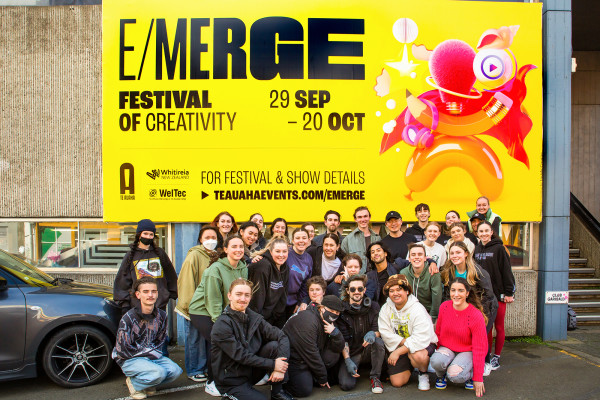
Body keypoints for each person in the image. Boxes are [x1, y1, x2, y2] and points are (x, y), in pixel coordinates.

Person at [210, 278, 294, 400]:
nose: (243, 299)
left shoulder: (253, 317)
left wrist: (280, 369)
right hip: (231, 381)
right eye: (238, 294)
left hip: (249, 373)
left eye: (247, 295)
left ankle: (277, 392)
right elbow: (241, 356)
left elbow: (281, 336)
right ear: (229, 296)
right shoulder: (222, 325)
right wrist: (273, 364)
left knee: (274, 346)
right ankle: (230, 396)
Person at [188, 235, 248, 397]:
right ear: (226, 249)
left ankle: (228, 376)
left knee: (229, 341)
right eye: (234, 246)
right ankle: (212, 382)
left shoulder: (243, 267)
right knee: (219, 342)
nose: (238, 250)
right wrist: (220, 325)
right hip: (202, 311)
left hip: (222, 310)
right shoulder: (215, 269)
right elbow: (213, 300)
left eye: (241, 246)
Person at [113, 277, 183, 399]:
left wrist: (150, 357)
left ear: (157, 294)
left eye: (153, 291)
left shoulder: (162, 316)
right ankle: (135, 383)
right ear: (138, 295)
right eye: (145, 292)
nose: (150, 295)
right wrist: (146, 359)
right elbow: (122, 349)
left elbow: (160, 341)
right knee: (159, 372)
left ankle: (149, 382)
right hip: (129, 359)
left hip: (151, 355)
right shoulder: (128, 318)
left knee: (175, 371)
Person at [175, 226, 219, 382]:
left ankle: (204, 368)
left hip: (208, 308)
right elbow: (186, 281)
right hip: (194, 307)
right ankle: (194, 370)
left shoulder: (216, 255)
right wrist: (189, 306)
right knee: (194, 340)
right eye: (207, 237)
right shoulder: (194, 255)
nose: (210, 240)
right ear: (200, 239)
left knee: (205, 340)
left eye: (213, 237)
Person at [378, 274, 438, 391]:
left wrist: (399, 352)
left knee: (417, 355)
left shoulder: (417, 308)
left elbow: (420, 337)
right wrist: (405, 345)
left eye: (399, 289)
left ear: (407, 291)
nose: (395, 293)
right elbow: (385, 332)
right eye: (391, 291)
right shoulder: (386, 308)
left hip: (424, 344)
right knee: (397, 382)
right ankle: (411, 364)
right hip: (401, 344)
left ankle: (423, 373)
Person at [431, 278, 488, 397]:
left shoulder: (475, 315)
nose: (456, 294)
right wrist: (438, 351)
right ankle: (441, 376)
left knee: (455, 375)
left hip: (467, 351)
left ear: (467, 293)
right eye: (453, 290)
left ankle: (470, 375)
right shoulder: (444, 307)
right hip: (448, 348)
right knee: (436, 361)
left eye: (461, 290)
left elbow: (480, 348)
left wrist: (478, 378)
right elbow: (438, 332)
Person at [283, 295, 345, 398]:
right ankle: (282, 384)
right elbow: (311, 353)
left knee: (333, 355)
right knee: (303, 390)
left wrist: (335, 333)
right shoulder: (308, 320)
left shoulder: (329, 321)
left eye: (337, 313)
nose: (334, 314)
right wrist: (322, 377)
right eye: (331, 310)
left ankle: (313, 376)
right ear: (321, 308)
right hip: (294, 359)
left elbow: (339, 347)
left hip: (311, 356)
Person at [474, 221, 516, 371]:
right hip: (482, 296)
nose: (484, 234)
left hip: (498, 295)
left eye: (487, 231)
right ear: (477, 233)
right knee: (487, 327)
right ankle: (486, 356)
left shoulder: (499, 248)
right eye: (481, 231)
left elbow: (506, 271)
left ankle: (496, 356)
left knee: (499, 326)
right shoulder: (476, 249)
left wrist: (509, 292)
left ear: (491, 232)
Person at [114, 219, 178, 315]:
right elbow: (122, 281)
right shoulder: (131, 255)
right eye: (145, 233)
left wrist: (167, 294)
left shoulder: (160, 253)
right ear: (139, 235)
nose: (148, 237)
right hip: (137, 307)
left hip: (159, 305)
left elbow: (170, 275)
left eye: (151, 234)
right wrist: (124, 304)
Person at [336, 275, 386, 394]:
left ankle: (375, 377)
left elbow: (379, 330)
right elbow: (343, 339)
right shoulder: (342, 310)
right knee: (346, 385)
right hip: (352, 352)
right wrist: (347, 360)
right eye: (353, 289)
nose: (356, 292)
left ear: (364, 290)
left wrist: (373, 333)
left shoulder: (374, 306)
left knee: (378, 342)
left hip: (368, 348)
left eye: (360, 288)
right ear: (348, 291)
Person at [440, 241, 498, 337]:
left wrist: (475, 313)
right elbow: (447, 295)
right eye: (452, 253)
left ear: (466, 254)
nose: (455, 256)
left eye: (458, 252)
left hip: (484, 307)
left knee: (478, 336)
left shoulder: (478, 272)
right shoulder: (448, 272)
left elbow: (488, 295)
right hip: (463, 307)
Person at [248, 237, 290, 328]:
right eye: (277, 251)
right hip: (259, 319)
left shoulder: (285, 268)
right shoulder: (262, 266)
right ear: (270, 252)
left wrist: (276, 316)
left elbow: (283, 296)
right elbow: (257, 299)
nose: (281, 255)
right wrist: (259, 322)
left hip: (274, 317)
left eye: (284, 251)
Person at [400, 243, 443, 321]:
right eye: (413, 255)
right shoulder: (403, 273)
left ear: (425, 258)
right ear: (409, 259)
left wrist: (433, 318)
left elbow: (436, 298)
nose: (416, 257)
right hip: (409, 314)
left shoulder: (433, 273)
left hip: (428, 313)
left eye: (420, 254)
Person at [365, 242, 408, 306]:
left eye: (378, 250)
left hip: (399, 307)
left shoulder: (398, 265)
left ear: (385, 253)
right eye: (372, 252)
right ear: (371, 257)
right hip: (381, 310)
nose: (375, 253)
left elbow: (414, 264)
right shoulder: (369, 276)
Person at [342, 206, 381, 273]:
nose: (363, 219)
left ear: (369, 217)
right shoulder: (347, 240)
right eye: (359, 217)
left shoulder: (377, 238)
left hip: (375, 276)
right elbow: (343, 263)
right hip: (356, 277)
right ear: (355, 219)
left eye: (365, 216)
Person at [285, 228, 313, 318]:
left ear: (308, 240)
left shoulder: (309, 258)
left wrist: (300, 302)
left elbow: (305, 284)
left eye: (304, 238)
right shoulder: (285, 253)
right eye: (297, 238)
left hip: (294, 303)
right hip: (279, 302)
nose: (301, 241)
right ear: (293, 241)